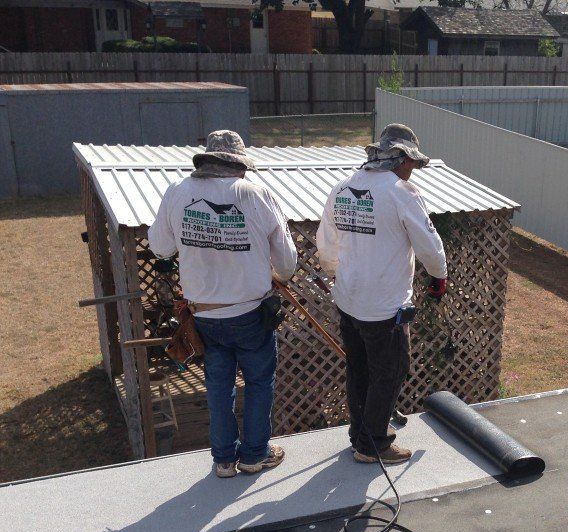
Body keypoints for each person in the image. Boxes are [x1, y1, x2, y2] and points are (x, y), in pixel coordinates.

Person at [148, 130, 298, 478]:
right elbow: (287, 262)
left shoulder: (177, 192)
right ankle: (255, 455)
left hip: (205, 315)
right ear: (238, 164)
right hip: (249, 314)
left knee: (218, 385)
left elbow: (160, 248)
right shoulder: (254, 193)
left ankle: (223, 460)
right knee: (259, 382)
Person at [316, 123, 448, 465]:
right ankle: (373, 443)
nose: (413, 171)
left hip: (348, 301)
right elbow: (430, 246)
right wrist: (439, 278)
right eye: (412, 164)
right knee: (391, 371)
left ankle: (358, 434)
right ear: (401, 158)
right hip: (384, 307)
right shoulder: (400, 192)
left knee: (358, 370)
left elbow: (327, 245)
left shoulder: (343, 188)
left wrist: (340, 275)